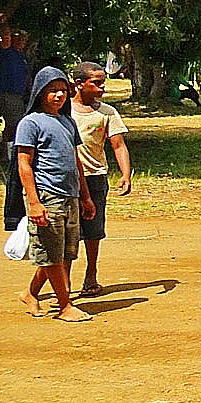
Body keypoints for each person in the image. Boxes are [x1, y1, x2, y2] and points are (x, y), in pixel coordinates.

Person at [13, 67, 96, 322]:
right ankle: (64, 305)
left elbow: (75, 161)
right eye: (52, 91)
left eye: (62, 90)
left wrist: (85, 196)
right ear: (40, 93)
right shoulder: (30, 123)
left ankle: (30, 293)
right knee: (51, 252)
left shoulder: (67, 121)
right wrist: (35, 203)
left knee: (61, 252)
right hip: (47, 196)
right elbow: (24, 164)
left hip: (70, 195)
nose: (59, 95)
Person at [69, 63, 132, 298]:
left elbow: (118, 145)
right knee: (68, 232)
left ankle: (91, 274)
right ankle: (63, 281)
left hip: (95, 176)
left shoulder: (107, 112)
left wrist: (125, 174)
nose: (102, 87)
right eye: (96, 83)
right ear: (79, 84)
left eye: (102, 82)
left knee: (94, 230)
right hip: (67, 179)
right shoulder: (63, 111)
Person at [0, 17, 32, 144]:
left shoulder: (21, 56)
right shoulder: (6, 52)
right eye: (17, 38)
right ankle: (10, 151)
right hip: (6, 93)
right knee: (15, 124)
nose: (21, 41)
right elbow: (6, 37)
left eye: (23, 39)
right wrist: (3, 22)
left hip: (18, 95)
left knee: (13, 123)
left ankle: (7, 150)